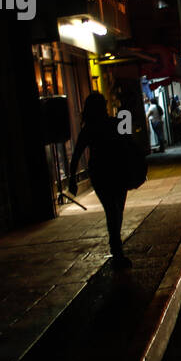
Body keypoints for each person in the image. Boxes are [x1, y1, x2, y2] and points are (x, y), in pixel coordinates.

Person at [69, 92, 133, 269]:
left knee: (111, 210)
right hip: (117, 172)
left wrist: (72, 179)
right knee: (117, 209)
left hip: (100, 173)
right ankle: (117, 249)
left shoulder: (88, 129)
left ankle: (116, 248)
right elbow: (129, 144)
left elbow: (76, 156)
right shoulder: (115, 123)